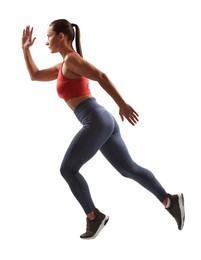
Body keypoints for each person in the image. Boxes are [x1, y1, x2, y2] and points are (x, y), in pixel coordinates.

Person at [22, 19, 185, 240]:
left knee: (68, 169)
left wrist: (122, 104)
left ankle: (94, 217)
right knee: (129, 169)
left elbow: (101, 76)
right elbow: (35, 75)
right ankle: (170, 201)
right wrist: (25, 50)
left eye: (49, 36)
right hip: (101, 120)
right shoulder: (63, 66)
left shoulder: (71, 59)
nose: (46, 41)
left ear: (61, 36)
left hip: (96, 120)